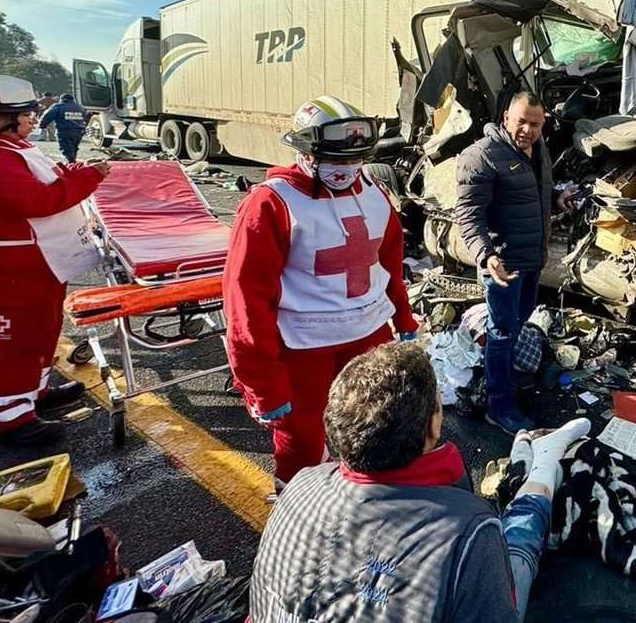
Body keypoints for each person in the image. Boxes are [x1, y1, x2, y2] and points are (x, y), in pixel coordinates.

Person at [250, 341, 590, 623]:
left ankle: (529, 456)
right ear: (433, 426)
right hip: (466, 542)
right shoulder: (469, 527)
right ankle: (546, 460)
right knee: (515, 543)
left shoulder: (301, 484)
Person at [223, 95, 419, 490]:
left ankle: (367, 508)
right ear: (305, 152)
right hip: (303, 350)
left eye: (353, 160)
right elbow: (245, 304)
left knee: (375, 431)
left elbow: (388, 264)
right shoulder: (270, 204)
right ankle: (294, 519)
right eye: (335, 159)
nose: (346, 169)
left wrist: (404, 318)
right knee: (303, 444)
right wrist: (262, 385)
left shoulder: (374, 194)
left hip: (371, 341)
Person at [455, 91, 578, 434]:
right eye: (521, 120)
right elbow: (468, 214)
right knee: (502, 332)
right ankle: (499, 404)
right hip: (503, 264)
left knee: (518, 322)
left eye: (535, 123)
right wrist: (486, 255)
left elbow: (533, 193)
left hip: (532, 259)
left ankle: (502, 374)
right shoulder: (481, 156)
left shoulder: (538, 150)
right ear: (506, 116)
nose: (527, 129)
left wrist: (558, 198)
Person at [0, 75, 109, 447]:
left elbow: (51, 175)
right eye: (24, 114)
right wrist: (88, 178)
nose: (32, 119)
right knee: (13, 342)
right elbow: (38, 199)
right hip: (11, 274)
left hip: (38, 265)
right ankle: (8, 416)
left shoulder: (14, 148)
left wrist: (78, 171)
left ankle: (35, 390)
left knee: (43, 329)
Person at [38, 93, 87, 163]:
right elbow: (85, 118)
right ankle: (72, 162)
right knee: (74, 148)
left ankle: (71, 164)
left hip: (65, 131)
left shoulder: (59, 106)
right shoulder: (80, 107)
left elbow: (48, 116)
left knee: (66, 149)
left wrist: (42, 125)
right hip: (78, 131)